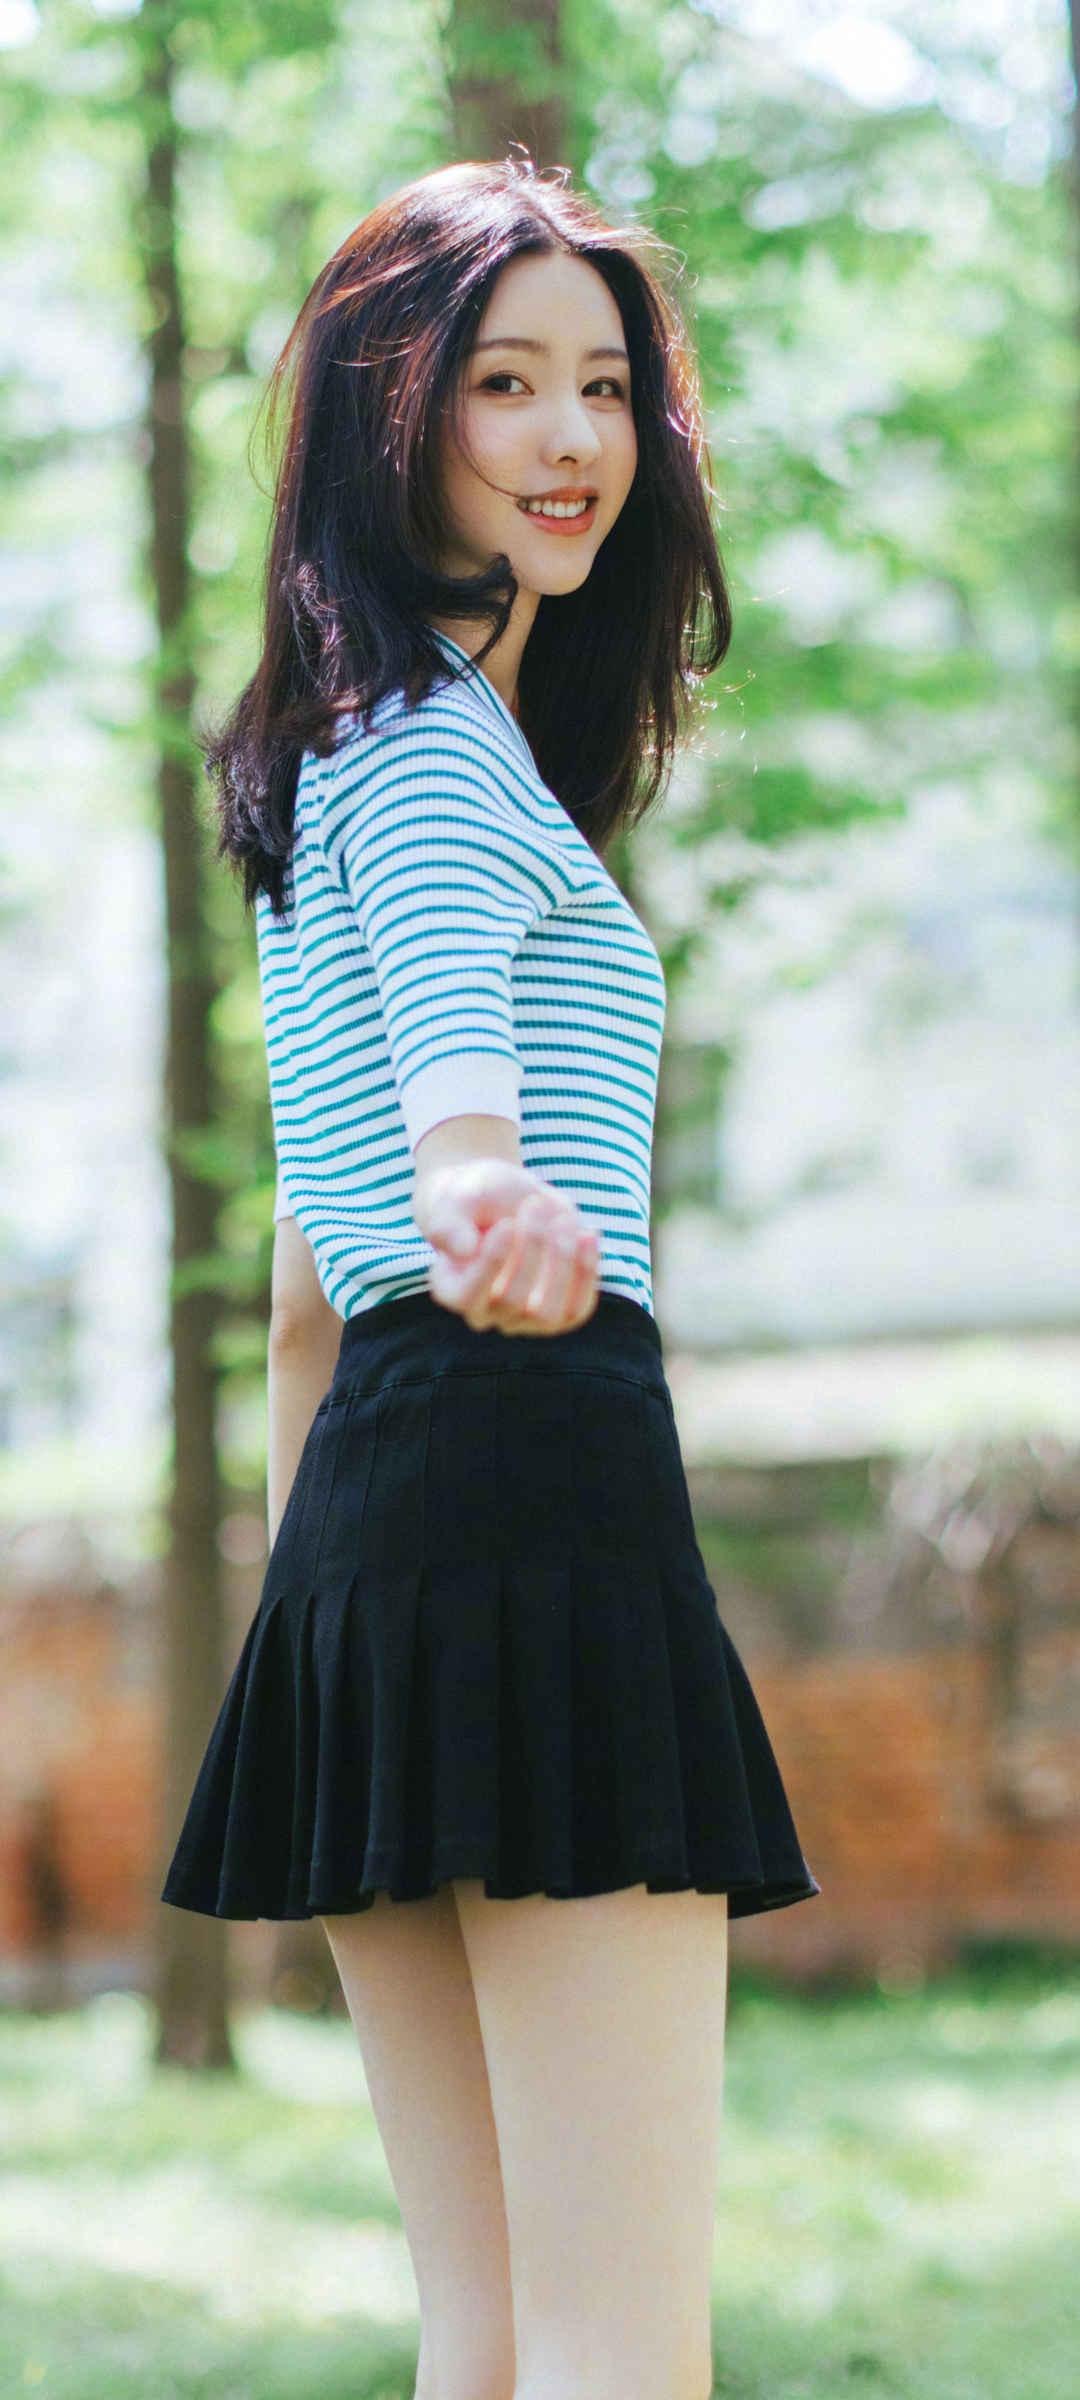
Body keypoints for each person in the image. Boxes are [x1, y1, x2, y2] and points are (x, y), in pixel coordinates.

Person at [161, 153, 820, 2400]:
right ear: (389, 412)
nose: (571, 438)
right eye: (503, 382)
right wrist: (493, 1210)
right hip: (528, 1472)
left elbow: (298, 1301)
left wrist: (307, 1621)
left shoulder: (339, 757)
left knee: (496, 2332)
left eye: (606, 388)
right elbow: (458, 1131)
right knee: (623, 2349)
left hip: (366, 1523)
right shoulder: (442, 771)